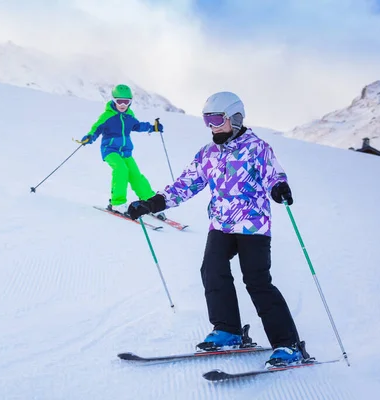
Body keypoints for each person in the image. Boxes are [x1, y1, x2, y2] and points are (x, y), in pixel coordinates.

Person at [126, 91, 308, 368]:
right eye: (206, 120)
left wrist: (279, 188)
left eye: (216, 119)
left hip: (252, 224)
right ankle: (228, 330)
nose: (211, 126)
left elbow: (274, 174)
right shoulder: (208, 153)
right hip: (221, 224)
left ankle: (288, 344)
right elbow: (185, 185)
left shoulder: (257, 147)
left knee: (257, 281)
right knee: (212, 270)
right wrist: (153, 203)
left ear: (235, 118)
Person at [79, 84, 165, 217]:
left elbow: (136, 126)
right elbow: (97, 128)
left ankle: (149, 201)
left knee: (136, 175)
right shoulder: (107, 116)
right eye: (119, 101)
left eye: (126, 101)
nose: (123, 104)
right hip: (110, 150)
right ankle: (117, 203)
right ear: (114, 100)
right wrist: (90, 137)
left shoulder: (129, 115)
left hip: (125, 152)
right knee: (121, 169)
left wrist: (152, 127)